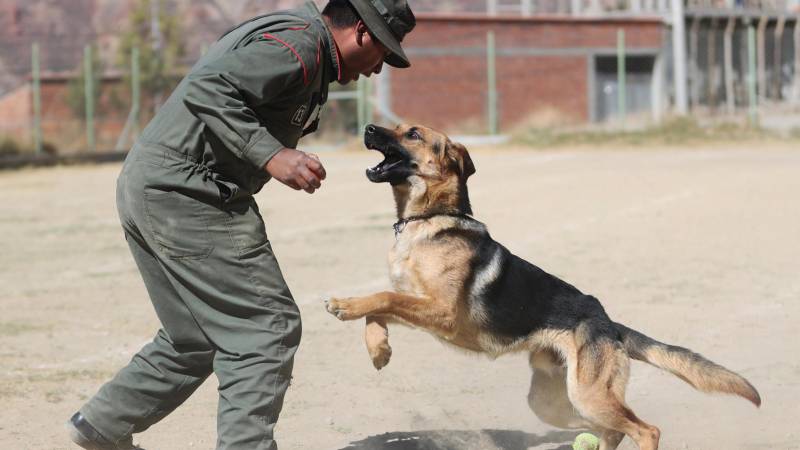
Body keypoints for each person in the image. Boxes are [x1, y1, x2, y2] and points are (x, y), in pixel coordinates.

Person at [66, 1, 415, 449]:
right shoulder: (301, 47)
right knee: (266, 328)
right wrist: (272, 154)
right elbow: (209, 86)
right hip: (189, 193)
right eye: (383, 54)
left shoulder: (304, 45)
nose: (378, 69)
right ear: (362, 32)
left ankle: (103, 426)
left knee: (193, 338)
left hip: (155, 185)